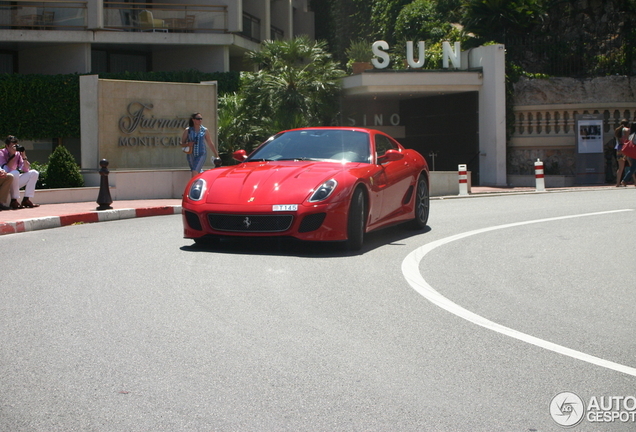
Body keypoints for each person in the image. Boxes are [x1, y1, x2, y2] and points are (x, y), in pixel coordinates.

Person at [0, 136, 40, 209]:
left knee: (34, 173)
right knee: (15, 172)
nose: (15, 148)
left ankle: (26, 199)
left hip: (15, 181)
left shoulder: (18, 154)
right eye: (12, 146)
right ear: (7, 146)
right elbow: (6, 169)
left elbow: (26, 169)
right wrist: (12, 155)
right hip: (6, 181)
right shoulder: (1, 153)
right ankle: (14, 200)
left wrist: (23, 156)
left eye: (16, 146)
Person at [181, 112, 220, 178]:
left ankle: (194, 187)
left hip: (201, 153)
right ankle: (205, 177)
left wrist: (216, 155)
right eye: (198, 119)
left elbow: (210, 143)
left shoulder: (204, 130)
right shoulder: (188, 130)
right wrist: (188, 144)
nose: (200, 120)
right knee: (195, 171)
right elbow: (182, 143)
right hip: (191, 154)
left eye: (201, 119)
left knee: (194, 171)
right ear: (193, 120)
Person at [614, 120, 631, 187]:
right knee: (631, 166)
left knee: (620, 168)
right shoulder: (626, 131)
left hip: (619, 149)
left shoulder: (618, 131)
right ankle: (635, 181)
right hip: (625, 149)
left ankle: (618, 183)